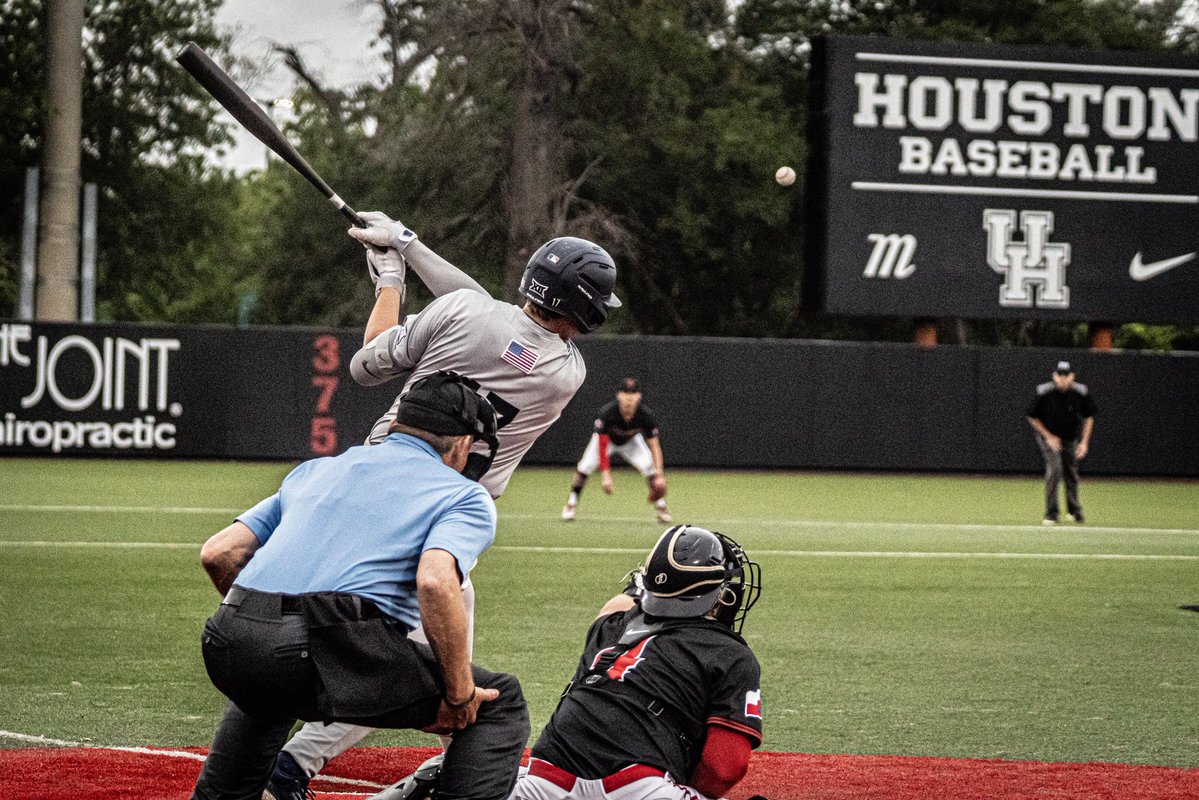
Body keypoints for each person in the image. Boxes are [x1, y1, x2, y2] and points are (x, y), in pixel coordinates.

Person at [266, 213, 622, 799]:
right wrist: (408, 247)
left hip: (373, 485)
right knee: (421, 663)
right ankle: (318, 768)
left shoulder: (463, 313)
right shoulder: (564, 373)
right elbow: (491, 320)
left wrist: (392, 278)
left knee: (428, 656)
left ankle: (428, 764)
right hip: (442, 522)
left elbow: (367, 363)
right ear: (581, 309)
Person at [190, 373, 529, 800]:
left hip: (229, 635)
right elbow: (436, 581)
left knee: (266, 698)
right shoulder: (463, 494)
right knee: (499, 705)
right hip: (322, 638)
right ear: (463, 443)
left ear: (395, 425)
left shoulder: (316, 469)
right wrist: (458, 696)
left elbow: (219, 554)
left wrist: (267, 625)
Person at [368, 524, 764, 800]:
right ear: (716, 596)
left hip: (547, 779)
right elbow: (722, 769)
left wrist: (645, 585)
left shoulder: (608, 627)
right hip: (642, 785)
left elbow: (626, 601)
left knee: (450, 773)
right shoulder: (730, 653)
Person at [562, 377, 671, 524]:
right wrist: (606, 475)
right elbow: (602, 446)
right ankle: (571, 504)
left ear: (639, 396)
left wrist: (660, 475)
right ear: (619, 395)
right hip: (607, 442)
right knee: (585, 466)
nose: (629, 398)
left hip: (631, 442)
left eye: (633, 394)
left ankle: (661, 508)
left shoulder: (646, 415)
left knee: (649, 468)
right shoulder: (607, 413)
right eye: (626, 393)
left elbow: (655, 447)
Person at [1026, 360, 1097, 525]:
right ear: (1054, 376)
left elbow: (1089, 417)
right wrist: (1048, 436)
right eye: (1060, 375)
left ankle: (1074, 511)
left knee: (1071, 472)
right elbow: (1032, 416)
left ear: (1072, 376)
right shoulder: (1044, 392)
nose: (1062, 379)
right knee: (1055, 469)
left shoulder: (1081, 392)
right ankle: (1051, 513)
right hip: (1048, 437)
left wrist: (1084, 442)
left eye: (1066, 375)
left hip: (1069, 438)